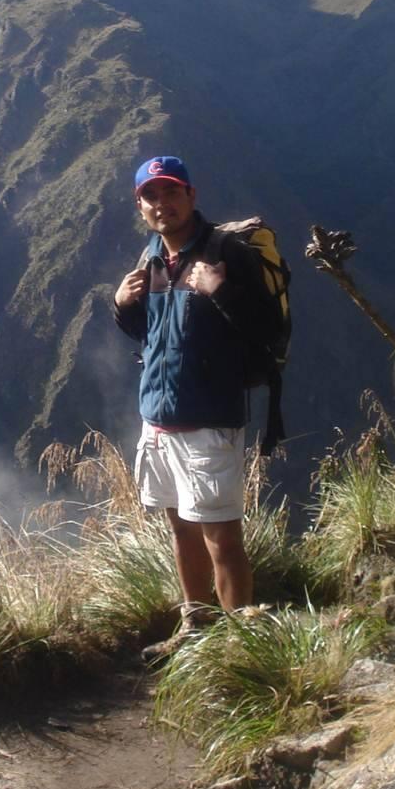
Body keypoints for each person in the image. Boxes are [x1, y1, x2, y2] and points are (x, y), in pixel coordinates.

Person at [112, 156, 282, 658]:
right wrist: (121, 306)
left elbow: (268, 331)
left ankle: (241, 651)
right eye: (150, 196)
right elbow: (152, 335)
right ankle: (195, 627)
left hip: (210, 420)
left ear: (191, 195)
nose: (161, 204)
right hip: (159, 418)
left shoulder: (225, 253)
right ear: (140, 205)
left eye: (171, 192)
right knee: (181, 529)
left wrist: (221, 290)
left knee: (221, 538)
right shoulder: (152, 257)